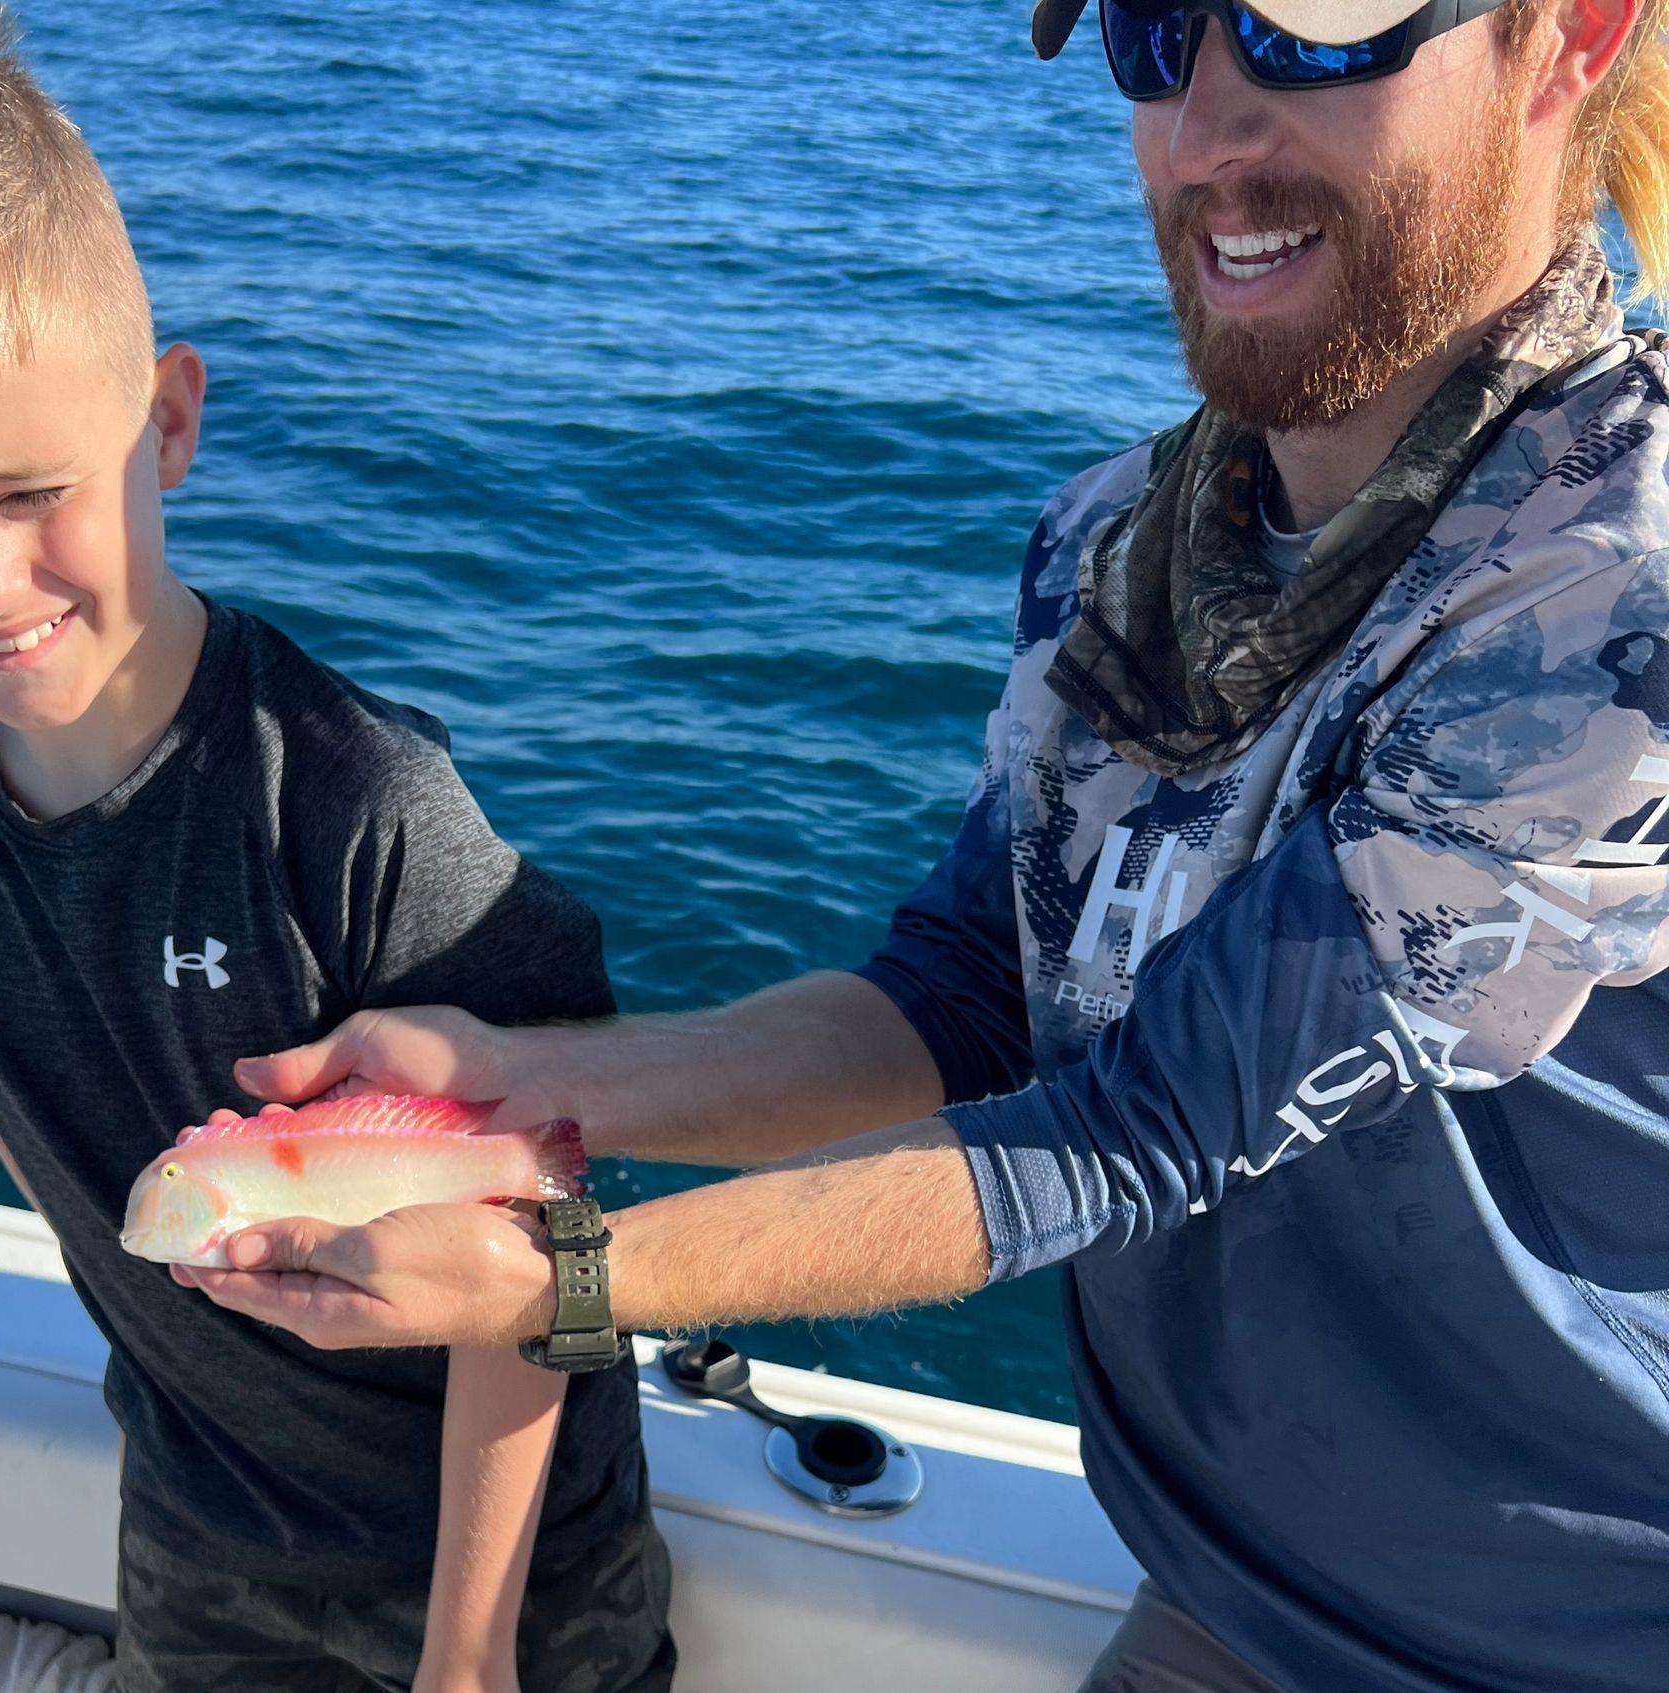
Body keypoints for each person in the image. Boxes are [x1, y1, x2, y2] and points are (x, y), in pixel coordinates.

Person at [179, 2, 1669, 1690]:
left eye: (1314, 28)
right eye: (1159, 29)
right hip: (1225, 1602)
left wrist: (565, 1279)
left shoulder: (1621, 601)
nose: (1210, 125)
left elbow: (1138, 1128)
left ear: (1569, 38)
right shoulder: (1117, 545)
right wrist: (513, 1084)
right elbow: (971, 993)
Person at [0, 4, 673, 1690]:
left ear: (167, 423)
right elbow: (4, 1077)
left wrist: (468, 1653)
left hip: (508, 1565)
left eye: (34, 490)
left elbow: (558, 1234)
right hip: (192, 1516)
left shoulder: (360, 801)